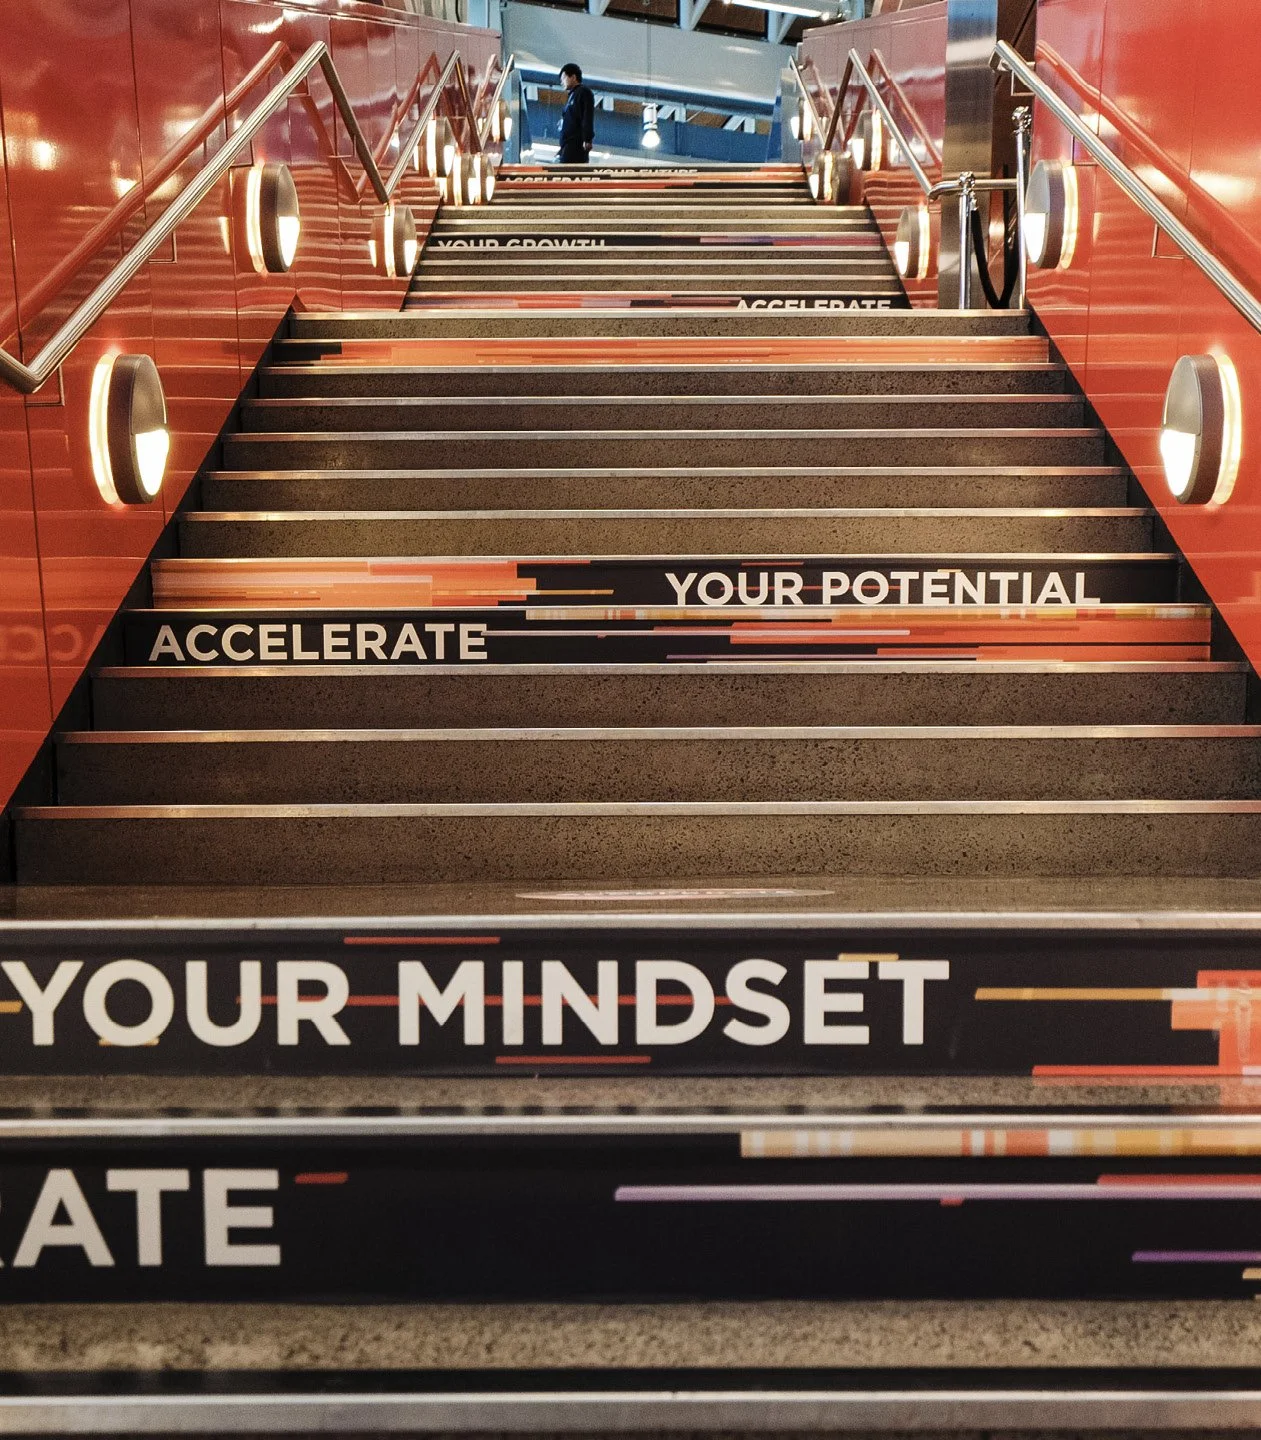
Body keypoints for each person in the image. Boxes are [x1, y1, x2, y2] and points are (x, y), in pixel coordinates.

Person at [557, 63, 595, 164]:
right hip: (567, 145)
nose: (562, 82)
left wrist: (587, 139)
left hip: (576, 145)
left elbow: (587, 116)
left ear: (573, 77)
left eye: (564, 78)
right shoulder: (572, 96)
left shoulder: (583, 92)